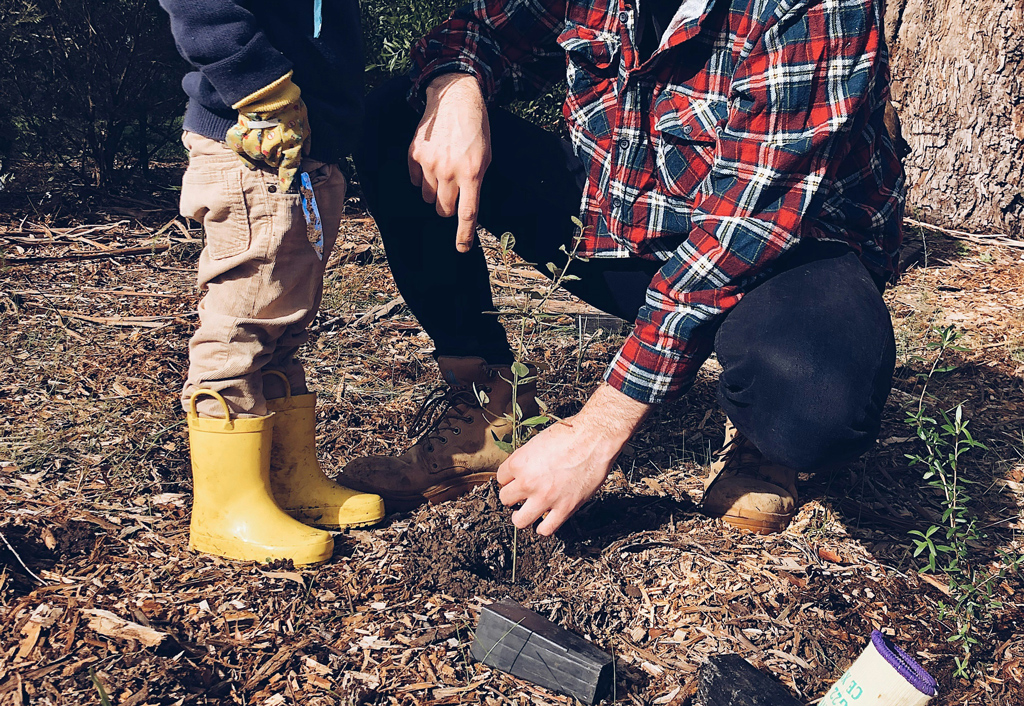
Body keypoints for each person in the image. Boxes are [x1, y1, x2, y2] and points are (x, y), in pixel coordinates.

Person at [342, 0, 906, 536]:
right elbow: (482, 29)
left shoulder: (812, 8)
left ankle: (763, 438)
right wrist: (458, 88)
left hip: (783, 250)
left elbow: (745, 230)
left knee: (816, 410)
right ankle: (491, 401)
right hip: (627, 224)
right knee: (402, 118)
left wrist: (598, 431)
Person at [159, 0, 384, 565]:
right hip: (253, 140)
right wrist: (260, 89)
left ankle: (285, 482)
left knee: (285, 319)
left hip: (308, 148)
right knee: (243, 321)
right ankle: (225, 509)